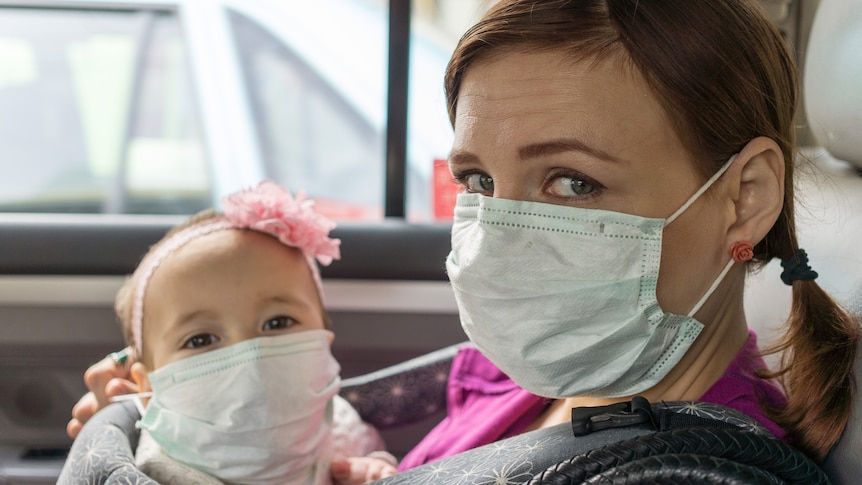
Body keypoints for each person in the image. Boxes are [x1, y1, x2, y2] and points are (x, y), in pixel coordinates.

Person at [69, 0, 857, 471]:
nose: (499, 231)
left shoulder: (691, 469)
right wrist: (206, 426)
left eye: (571, 182)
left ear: (743, 199)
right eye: (478, 181)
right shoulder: (532, 370)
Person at [97, 180, 396, 485]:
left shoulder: (339, 427)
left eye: (277, 323)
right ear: (146, 385)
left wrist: (370, 469)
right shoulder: (145, 472)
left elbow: (369, 456)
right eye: (200, 340)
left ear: (324, 341)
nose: (250, 356)